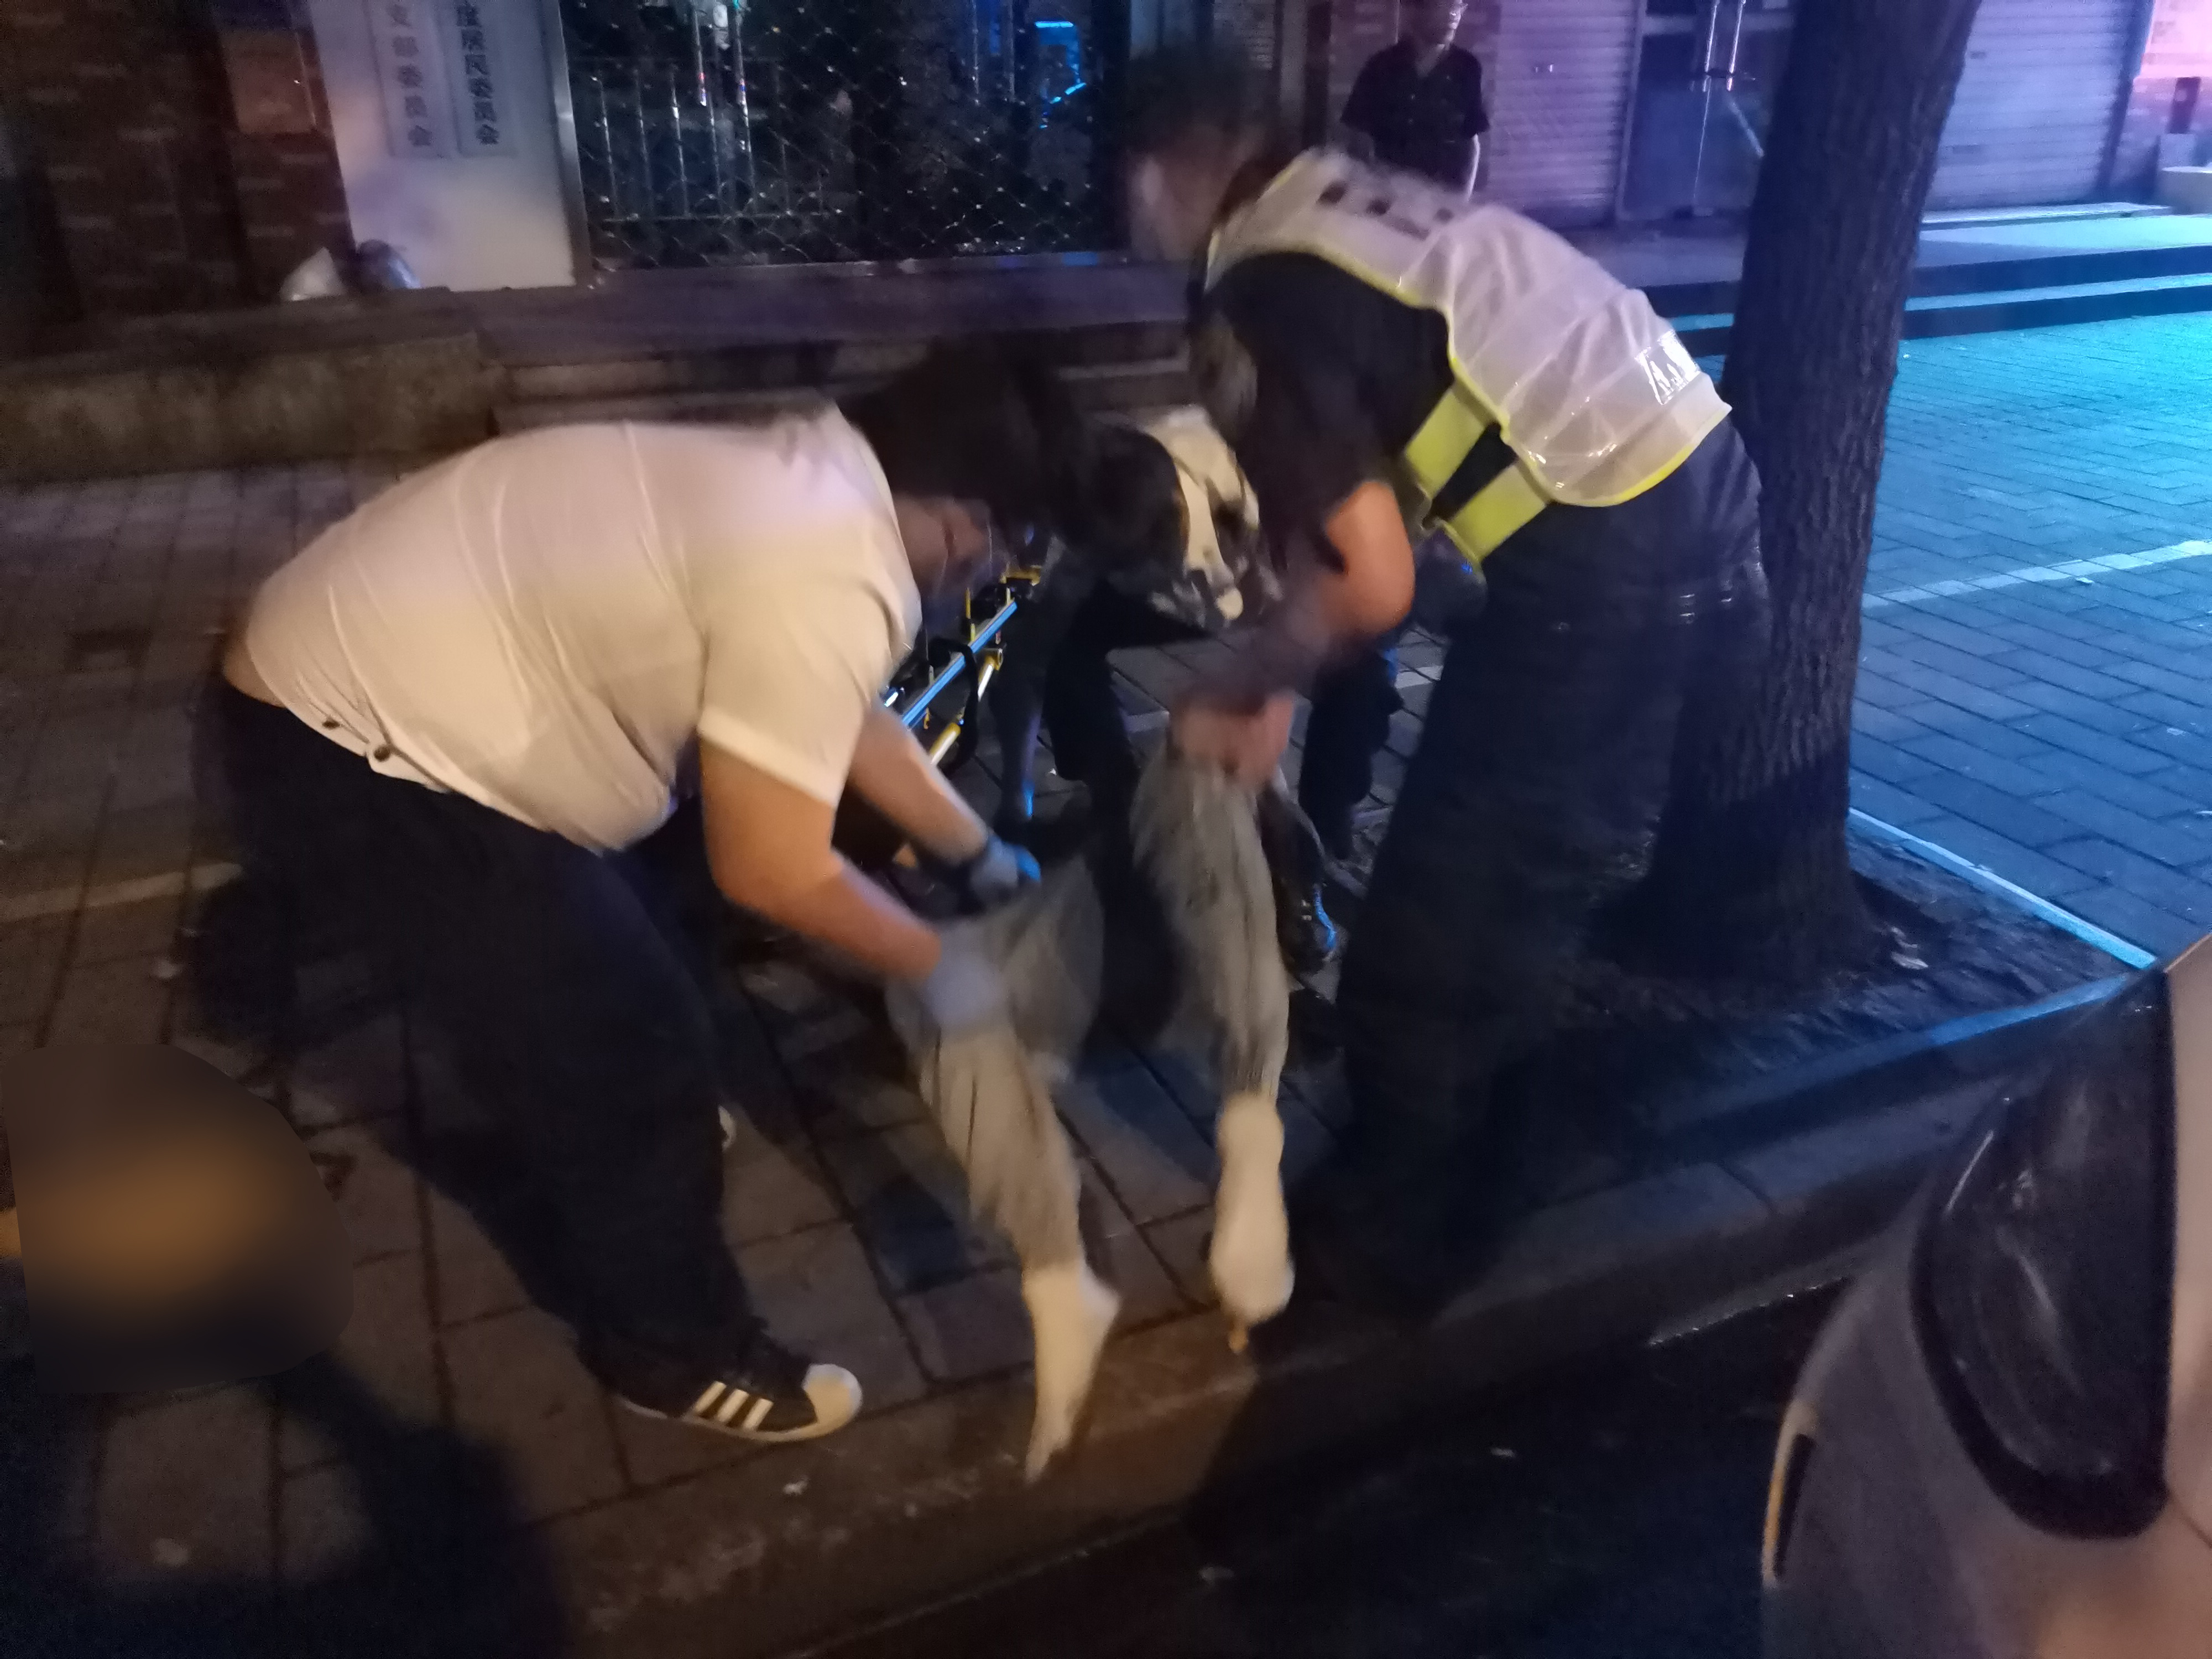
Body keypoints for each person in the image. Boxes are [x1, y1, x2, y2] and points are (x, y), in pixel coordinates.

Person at [211, 347, 1079, 1441]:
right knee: (635, 1041)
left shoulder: (809, 476)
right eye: (1010, 542)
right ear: (968, 518)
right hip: (358, 749)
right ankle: (673, 1351)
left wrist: (982, 860)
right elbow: (769, 865)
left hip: (348, 672)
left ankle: (584, 1107)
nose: (991, 572)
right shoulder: (831, 563)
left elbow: (835, 710)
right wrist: (945, 970)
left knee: (647, 924)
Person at [1121, 49, 1770, 1309]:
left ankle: (1395, 1246)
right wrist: (1280, 678)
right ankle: (1482, 1187)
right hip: (1707, 518)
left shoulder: (1262, 289)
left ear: (1160, 170)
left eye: (1126, 186)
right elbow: (1371, 514)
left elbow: (1369, 582)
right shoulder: (1363, 208)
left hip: (1604, 573)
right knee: (1511, 910)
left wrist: (1242, 680)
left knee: (1432, 940)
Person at [985, 406, 1339, 971]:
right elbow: (1029, 658)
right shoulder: (1089, 518)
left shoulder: (1253, 488)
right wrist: (1013, 803)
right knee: (1062, 641)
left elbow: (1310, 619)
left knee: (1262, 749)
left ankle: (1299, 876)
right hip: (1182, 584)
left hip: (1268, 587)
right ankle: (1118, 805)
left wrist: (1251, 707)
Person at [1340, 0, 1490, 196]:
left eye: (1457, 6)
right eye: (1442, 5)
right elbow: (1358, 140)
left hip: (1443, 199)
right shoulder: (1381, 67)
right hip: (1390, 197)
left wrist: (1462, 199)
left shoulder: (1467, 68)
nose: (1452, 15)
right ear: (1414, 9)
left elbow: (1470, 140)